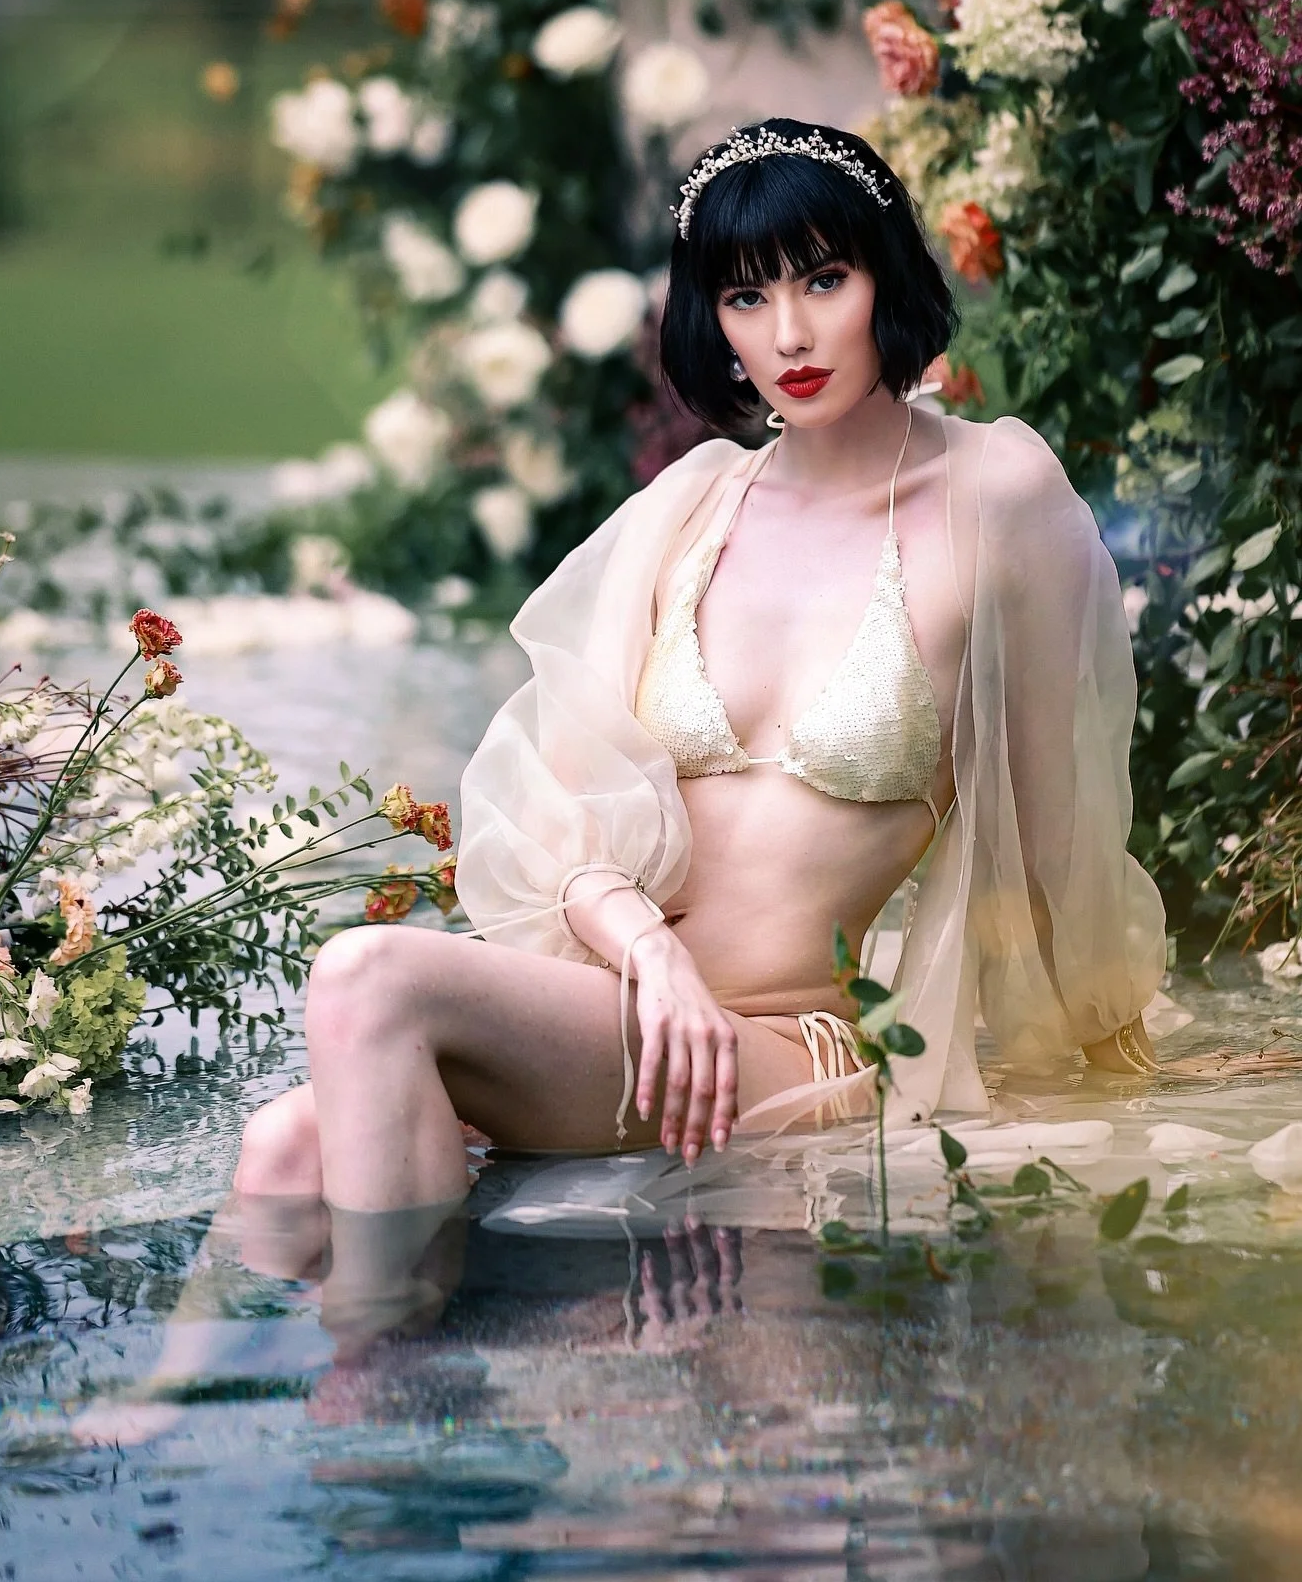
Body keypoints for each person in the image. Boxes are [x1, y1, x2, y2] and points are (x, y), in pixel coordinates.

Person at [232, 117, 1169, 1218]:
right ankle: (295, 1383)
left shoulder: (993, 497)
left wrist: (1114, 1056)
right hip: (621, 1004)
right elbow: (557, 820)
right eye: (746, 297)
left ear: (887, 276)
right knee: (286, 1147)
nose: (791, 333)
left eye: (824, 279)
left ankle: (385, 1366)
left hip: (787, 1043)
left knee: (365, 973)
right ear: (711, 320)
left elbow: (1056, 835)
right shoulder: (695, 508)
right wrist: (652, 958)